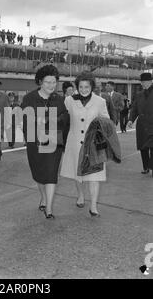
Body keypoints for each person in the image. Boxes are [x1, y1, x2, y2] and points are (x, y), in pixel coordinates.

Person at [22, 65, 69, 219]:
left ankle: (49, 208)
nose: (51, 86)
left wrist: (56, 119)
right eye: (48, 82)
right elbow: (24, 119)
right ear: (40, 82)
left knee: (50, 173)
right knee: (39, 174)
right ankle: (43, 196)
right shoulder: (29, 98)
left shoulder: (59, 99)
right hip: (34, 142)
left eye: (54, 82)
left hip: (53, 140)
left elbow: (66, 118)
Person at [60, 71, 110, 217]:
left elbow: (106, 121)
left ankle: (93, 206)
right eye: (80, 86)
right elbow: (62, 117)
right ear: (77, 87)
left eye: (86, 87)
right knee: (78, 174)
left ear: (92, 87)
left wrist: (99, 129)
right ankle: (80, 195)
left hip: (94, 144)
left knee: (95, 176)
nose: (83, 89)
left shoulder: (100, 102)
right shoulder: (69, 100)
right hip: (75, 143)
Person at [128, 72, 153, 176]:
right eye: (142, 82)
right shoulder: (139, 95)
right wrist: (130, 120)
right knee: (143, 147)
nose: (143, 83)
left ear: (151, 81)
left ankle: (151, 167)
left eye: (145, 81)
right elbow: (134, 109)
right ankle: (146, 167)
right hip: (142, 125)